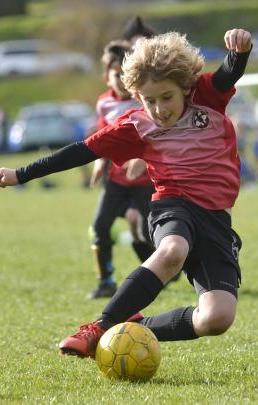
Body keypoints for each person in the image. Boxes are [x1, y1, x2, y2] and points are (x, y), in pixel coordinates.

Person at [0, 28, 252, 359]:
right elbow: (79, 151)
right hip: (173, 206)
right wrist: (22, 174)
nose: (158, 109)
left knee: (216, 319)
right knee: (173, 250)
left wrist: (239, 52)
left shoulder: (207, 97)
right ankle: (99, 327)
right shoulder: (136, 126)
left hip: (216, 220)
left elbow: (231, 72)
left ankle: (133, 326)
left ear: (185, 87)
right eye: (149, 100)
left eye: (166, 97)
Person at [86, 39, 155, 299]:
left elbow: (158, 135)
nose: (121, 80)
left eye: (125, 74)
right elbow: (104, 136)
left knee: (149, 233)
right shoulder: (104, 103)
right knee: (100, 227)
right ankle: (106, 282)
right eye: (116, 75)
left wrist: (143, 158)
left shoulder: (145, 99)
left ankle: (162, 272)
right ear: (106, 77)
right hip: (115, 181)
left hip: (145, 182)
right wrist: (100, 161)